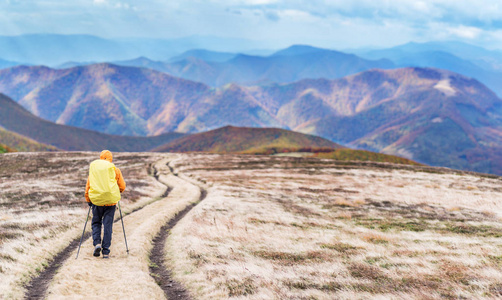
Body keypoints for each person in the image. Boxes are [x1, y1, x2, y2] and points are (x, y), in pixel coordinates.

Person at [85, 150, 126, 258]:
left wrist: (88, 199)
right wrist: (116, 193)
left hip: (97, 201)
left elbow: (88, 186)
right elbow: (122, 186)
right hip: (110, 202)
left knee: (96, 223)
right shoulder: (115, 170)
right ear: (110, 158)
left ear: (100, 157)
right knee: (108, 225)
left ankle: (97, 243)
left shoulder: (94, 170)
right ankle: (106, 251)